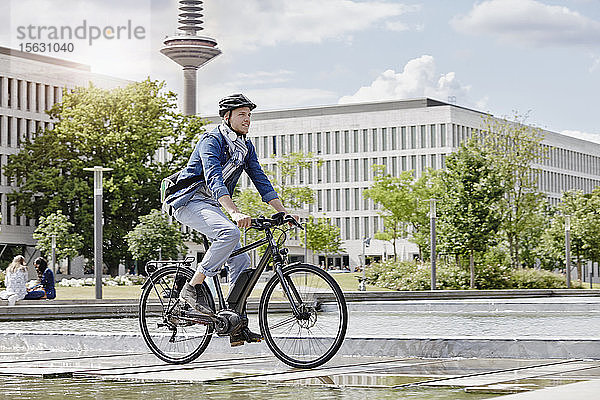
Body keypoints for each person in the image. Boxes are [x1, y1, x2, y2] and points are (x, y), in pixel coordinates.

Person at [165, 93, 296, 347]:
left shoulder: (245, 147)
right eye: (242, 115)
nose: (247, 120)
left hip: (213, 204)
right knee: (229, 233)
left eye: (249, 115)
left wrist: (283, 211)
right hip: (188, 201)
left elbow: (261, 180)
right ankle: (193, 287)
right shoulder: (211, 140)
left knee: (242, 260)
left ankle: (235, 324)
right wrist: (234, 212)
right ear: (227, 117)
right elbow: (213, 178)